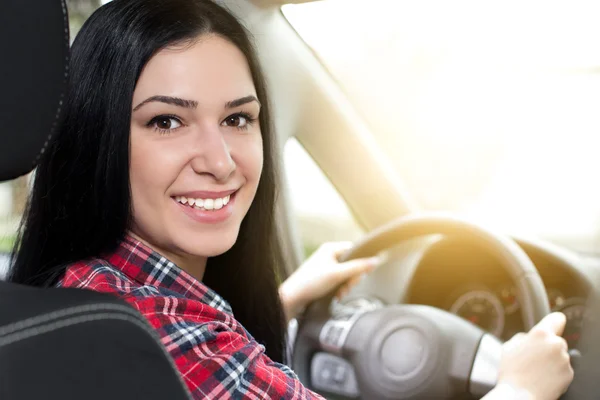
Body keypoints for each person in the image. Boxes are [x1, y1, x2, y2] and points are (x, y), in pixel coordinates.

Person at [9, 0, 573, 398]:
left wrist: (287, 299)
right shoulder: (165, 338)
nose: (221, 160)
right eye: (166, 121)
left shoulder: (77, 294)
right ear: (96, 137)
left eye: (237, 118)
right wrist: (520, 387)